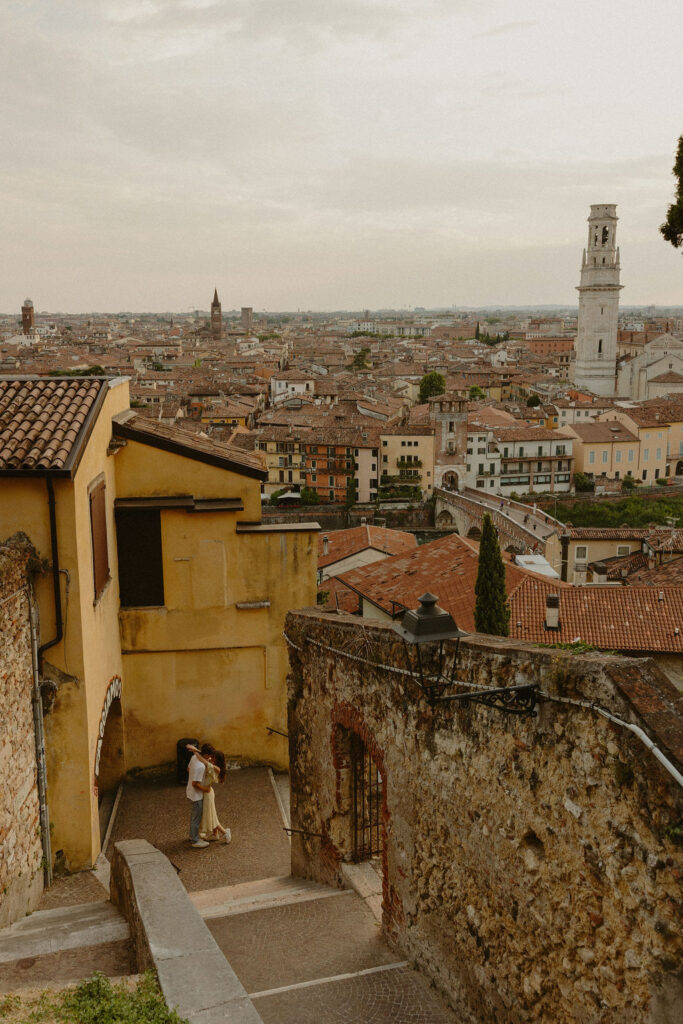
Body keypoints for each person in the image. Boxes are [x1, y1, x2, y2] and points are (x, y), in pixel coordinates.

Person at [187, 744, 232, 844]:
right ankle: (215, 834)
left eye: (213, 757)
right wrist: (198, 751)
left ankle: (225, 832)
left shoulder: (216, 768)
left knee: (211, 816)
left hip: (207, 793)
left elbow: (203, 759)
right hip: (207, 792)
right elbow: (204, 757)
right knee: (212, 814)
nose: (211, 758)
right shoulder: (213, 765)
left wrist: (195, 751)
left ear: (217, 759)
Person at [186, 742, 213, 849]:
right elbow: (195, 784)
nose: (210, 758)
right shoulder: (201, 767)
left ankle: (192, 835)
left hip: (190, 791)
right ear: (206, 755)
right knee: (196, 817)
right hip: (197, 794)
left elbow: (188, 769)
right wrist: (205, 789)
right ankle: (195, 840)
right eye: (209, 756)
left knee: (194, 816)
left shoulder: (194, 758)